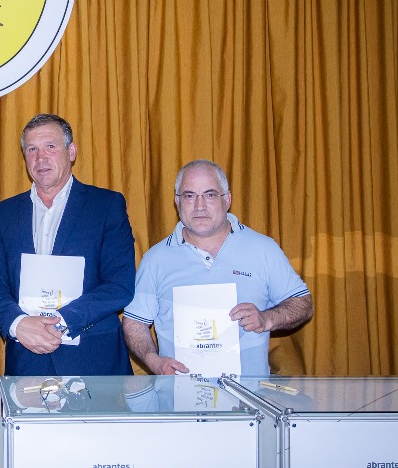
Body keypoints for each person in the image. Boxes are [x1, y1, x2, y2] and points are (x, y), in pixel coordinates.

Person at [122, 159, 313, 377]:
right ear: (177, 201)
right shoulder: (155, 259)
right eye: (189, 196)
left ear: (227, 199)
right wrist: (153, 361)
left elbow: (303, 304)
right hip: (178, 394)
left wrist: (267, 318)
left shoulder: (263, 249)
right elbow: (134, 322)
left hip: (250, 394)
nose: (199, 206)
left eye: (210, 195)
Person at [0, 114, 136, 376]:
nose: (40, 158)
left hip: (94, 362)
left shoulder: (106, 206)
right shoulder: (4, 213)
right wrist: (18, 324)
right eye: (32, 149)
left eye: (50, 146)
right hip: (27, 361)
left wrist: (61, 322)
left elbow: (120, 285)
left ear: (71, 152)